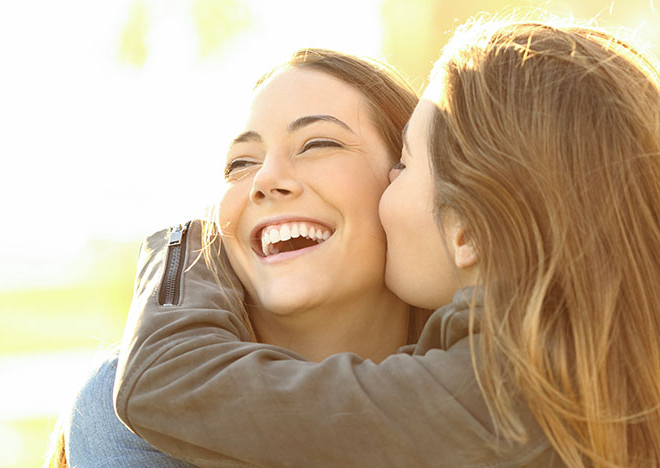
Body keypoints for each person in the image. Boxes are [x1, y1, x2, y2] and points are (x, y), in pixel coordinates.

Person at [113, 18, 660, 468]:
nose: (266, 181)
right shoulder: (627, 370)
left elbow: (165, 382)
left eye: (405, 165)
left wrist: (186, 243)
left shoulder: (506, 394)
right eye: (238, 164)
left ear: (467, 229)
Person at [45, 48, 425, 467]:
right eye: (241, 163)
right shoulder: (124, 411)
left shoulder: (489, 388)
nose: (264, 180)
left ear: (410, 179)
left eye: (317, 143)